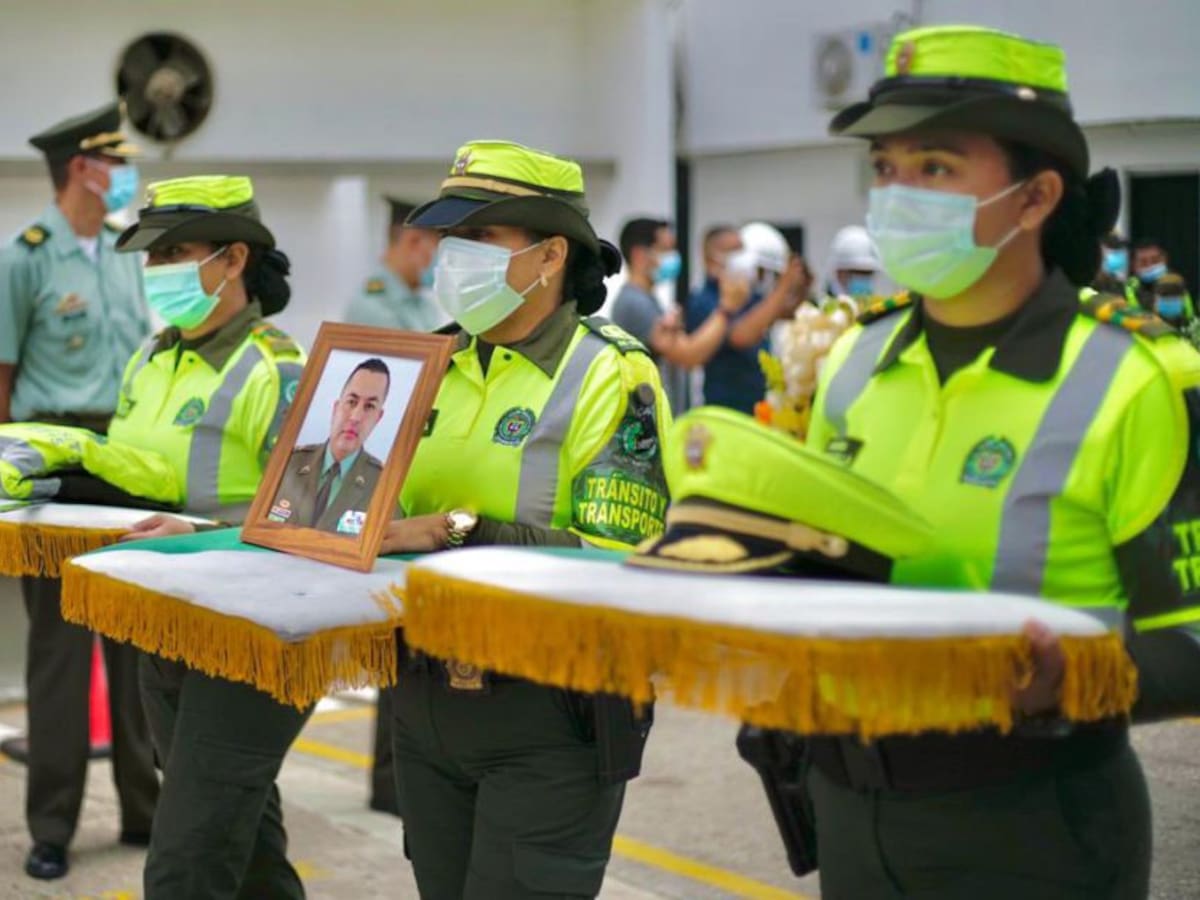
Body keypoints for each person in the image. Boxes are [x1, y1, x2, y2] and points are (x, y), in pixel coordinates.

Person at [807, 25, 1200, 899]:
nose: (898, 195)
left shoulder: (1138, 380)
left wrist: (1076, 678)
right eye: (885, 169)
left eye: (937, 168)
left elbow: (1192, 635)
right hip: (851, 807)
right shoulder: (851, 364)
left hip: (1034, 818)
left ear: (1036, 198)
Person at [379, 139, 671, 900]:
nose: (454, 255)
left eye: (480, 237)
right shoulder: (426, 362)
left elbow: (622, 557)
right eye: (451, 237)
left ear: (547, 257)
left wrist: (458, 532)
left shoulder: (610, 370)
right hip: (422, 698)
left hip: (548, 714)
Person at [105, 175, 311, 899]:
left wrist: (194, 534)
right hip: (166, 632)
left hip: (251, 637)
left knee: (185, 861)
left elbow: (309, 515)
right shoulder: (150, 359)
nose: (157, 271)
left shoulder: (279, 370)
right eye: (152, 256)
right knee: (245, 840)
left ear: (231, 260)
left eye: (176, 252)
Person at [0, 100, 156, 881]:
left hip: (122, 458)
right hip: (50, 462)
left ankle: (143, 809)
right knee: (60, 654)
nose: (125, 174)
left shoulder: (132, 253)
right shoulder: (23, 256)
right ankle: (53, 826)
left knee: (136, 640)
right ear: (80, 170)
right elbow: (1, 377)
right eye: (114, 161)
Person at [611, 217, 746, 412]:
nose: (673, 257)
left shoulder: (650, 300)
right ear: (640, 255)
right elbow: (689, 355)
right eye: (665, 250)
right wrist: (726, 309)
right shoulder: (633, 302)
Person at [685, 223, 806, 413]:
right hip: (725, 411)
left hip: (757, 408)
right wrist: (783, 287)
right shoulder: (703, 300)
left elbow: (780, 312)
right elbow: (740, 336)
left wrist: (796, 284)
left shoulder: (746, 294)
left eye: (742, 249)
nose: (743, 256)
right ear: (711, 258)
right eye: (734, 251)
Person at [271, 358, 388, 534]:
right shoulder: (288, 463)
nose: (355, 417)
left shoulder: (383, 485)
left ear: (378, 418)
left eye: (369, 406)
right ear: (336, 408)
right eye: (351, 402)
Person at [345, 197, 443, 331]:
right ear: (413, 242)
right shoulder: (371, 308)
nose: (443, 260)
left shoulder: (424, 306)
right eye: (439, 248)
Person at [1127, 236, 1194, 311]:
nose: (1150, 266)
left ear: (1165, 259)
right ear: (1133, 266)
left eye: (1155, 261)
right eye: (1143, 263)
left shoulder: (1178, 283)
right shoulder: (1129, 288)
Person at [822, 224, 881, 306]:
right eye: (858, 272)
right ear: (839, 272)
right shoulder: (819, 313)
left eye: (868, 273)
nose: (864, 279)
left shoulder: (876, 311)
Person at [1092, 231, 1129, 296]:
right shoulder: (1086, 283)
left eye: (1119, 249)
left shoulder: (1121, 287)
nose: (1118, 253)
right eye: (1112, 247)